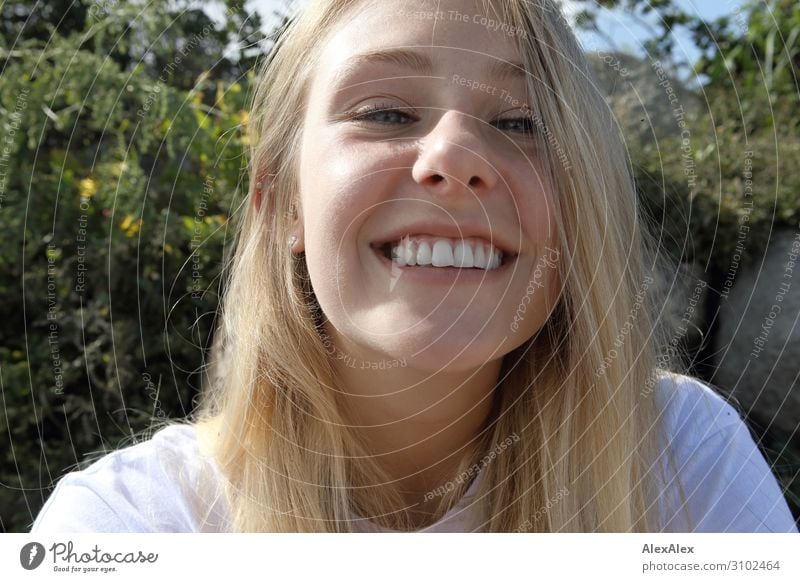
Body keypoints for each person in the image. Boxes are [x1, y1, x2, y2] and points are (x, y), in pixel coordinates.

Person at [31, 0, 797, 533]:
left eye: (520, 121)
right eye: (386, 112)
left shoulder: (683, 459)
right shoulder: (126, 527)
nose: (457, 156)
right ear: (281, 205)